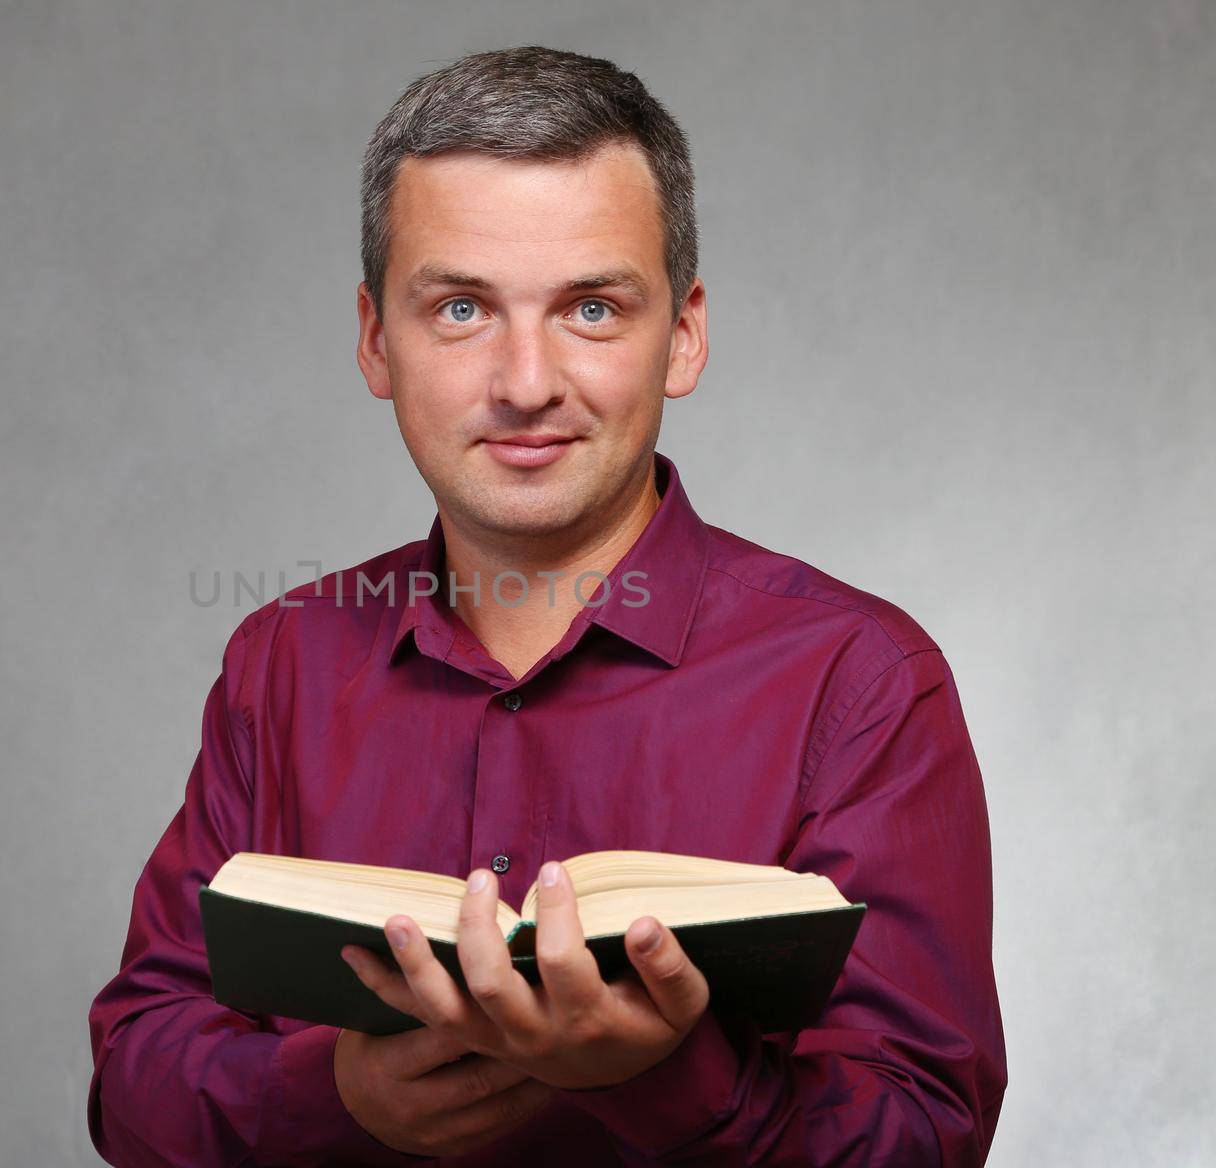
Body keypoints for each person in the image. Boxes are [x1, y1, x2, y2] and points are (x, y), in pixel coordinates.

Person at [86, 44, 1007, 1166]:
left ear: (684, 333)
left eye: (591, 308)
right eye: (462, 307)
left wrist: (666, 1079)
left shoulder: (861, 679)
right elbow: (133, 1090)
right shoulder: (280, 662)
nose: (526, 381)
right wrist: (338, 1098)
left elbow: (926, 1140)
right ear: (377, 338)